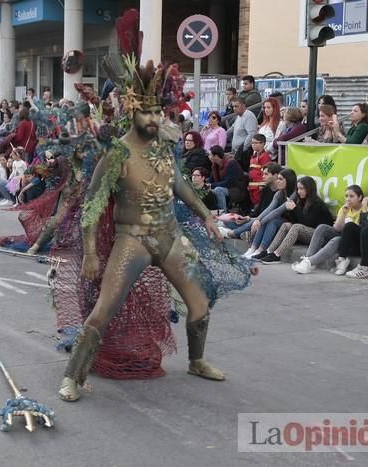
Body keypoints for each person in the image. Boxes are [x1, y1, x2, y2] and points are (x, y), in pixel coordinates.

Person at [58, 64, 245, 403]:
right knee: (103, 310)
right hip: (133, 240)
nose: (155, 118)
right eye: (148, 112)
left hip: (170, 236)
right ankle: (73, 376)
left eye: (158, 111)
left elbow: (180, 187)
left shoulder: (163, 148)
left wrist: (207, 217)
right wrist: (89, 253)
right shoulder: (117, 154)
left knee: (199, 303)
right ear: (133, 112)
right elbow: (92, 205)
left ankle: (197, 361)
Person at [259, 176, 334, 264]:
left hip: (320, 237)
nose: (299, 191)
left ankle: (277, 255)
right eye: (298, 189)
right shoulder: (302, 200)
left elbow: (307, 223)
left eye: (302, 189)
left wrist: (295, 209)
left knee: (296, 227)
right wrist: (290, 210)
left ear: (309, 189)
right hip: (308, 232)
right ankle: (269, 251)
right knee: (286, 225)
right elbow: (296, 220)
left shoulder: (317, 204)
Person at [291, 185, 364, 274]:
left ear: (360, 197)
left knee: (337, 239)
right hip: (341, 233)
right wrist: (344, 214)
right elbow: (337, 228)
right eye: (346, 196)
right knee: (322, 227)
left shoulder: (364, 209)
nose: (348, 199)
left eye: (351, 196)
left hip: (353, 242)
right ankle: (307, 259)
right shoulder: (344, 208)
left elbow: (359, 230)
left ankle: (309, 262)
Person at [241, 168, 298, 259]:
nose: (277, 181)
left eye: (280, 179)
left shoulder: (295, 193)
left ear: (289, 180)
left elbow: (278, 211)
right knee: (266, 219)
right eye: (277, 178)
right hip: (283, 222)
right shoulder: (279, 193)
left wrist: (260, 221)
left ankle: (261, 250)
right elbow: (269, 209)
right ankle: (253, 248)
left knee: (272, 220)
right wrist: (258, 220)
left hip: (294, 224)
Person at [206, 145, 248, 213]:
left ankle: (223, 213)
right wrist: (205, 184)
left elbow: (229, 182)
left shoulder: (231, 163)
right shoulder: (215, 165)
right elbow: (211, 178)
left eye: (210, 155)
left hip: (236, 189)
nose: (208, 156)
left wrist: (212, 185)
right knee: (207, 189)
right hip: (226, 187)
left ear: (216, 156)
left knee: (218, 190)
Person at [226, 97, 258, 171]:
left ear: (243, 106)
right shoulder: (239, 116)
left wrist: (243, 149)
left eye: (236, 106)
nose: (234, 108)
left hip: (243, 154)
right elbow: (231, 129)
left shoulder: (249, 116)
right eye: (233, 106)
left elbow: (252, 134)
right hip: (236, 152)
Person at [247, 134, 269, 207]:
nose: (253, 145)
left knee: (258, 206)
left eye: (255, 143)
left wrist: (263, 185)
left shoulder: (265, 156)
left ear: (262, 143)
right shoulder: (253, 156)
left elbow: (266, 172)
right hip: (252, 187)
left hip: (259, 188)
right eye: (252, 143)